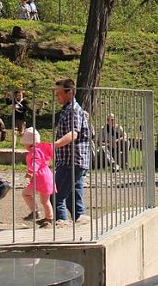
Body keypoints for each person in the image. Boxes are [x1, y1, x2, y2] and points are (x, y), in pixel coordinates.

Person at [51, 78, 91, 222]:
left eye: (59, 93)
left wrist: (54, 145)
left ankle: (62, 228)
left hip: (71, 162)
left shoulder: (73, 110)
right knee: (73, 200)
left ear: (70, 92)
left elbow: (74, 133)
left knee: (56, 197)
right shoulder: (69, 109)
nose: (57, 97)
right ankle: (82, 228)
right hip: (75, 161)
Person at [20, 127, 55, 226]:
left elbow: (36, 162)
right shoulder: (40, 149)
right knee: (45, 200)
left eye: (24, 143)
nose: (23, 145)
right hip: (46, 176)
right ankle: (49, 218)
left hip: (40, 177)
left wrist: (31, 171)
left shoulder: (34, 152)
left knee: (26, 194)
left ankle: (35, 212)